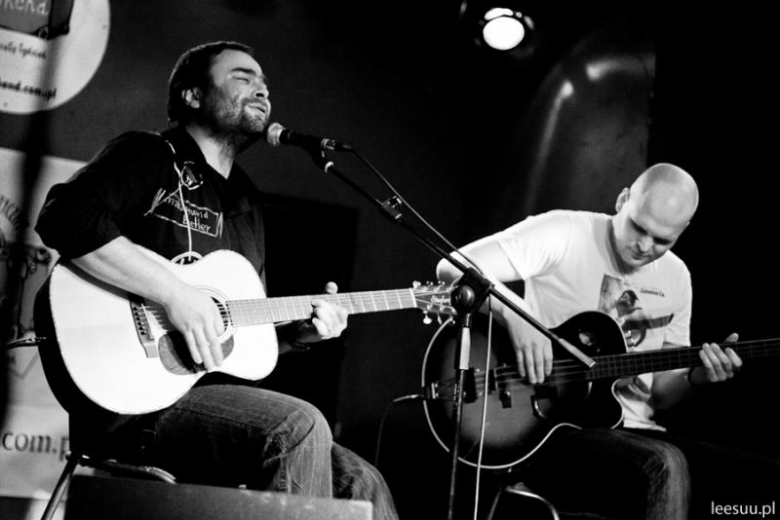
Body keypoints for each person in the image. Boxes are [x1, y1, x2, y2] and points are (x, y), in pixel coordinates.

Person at [34, 41, 398, 520]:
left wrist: (299, 335)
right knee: (299, 425)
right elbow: (65, 217)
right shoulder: (150, 153)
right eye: (243, 78)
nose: (262, 89)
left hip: (205, 396)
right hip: (131, 407)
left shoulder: (246, 203)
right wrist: (173, 293)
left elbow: (232, 330)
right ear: (192, 96)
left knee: (361, 482)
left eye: (265, 83)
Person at [436, 163, 778, 519]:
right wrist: (516, 313)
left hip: (636, 431)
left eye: (663, 240)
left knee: (760, 478)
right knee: (663, 464)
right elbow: (452, 265)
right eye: (639, 228)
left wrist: (694, 377)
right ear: (623, 200)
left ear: (684, 230)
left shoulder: (676, 276)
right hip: (556, 427)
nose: (645, 246)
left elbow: (660, 392)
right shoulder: (565, 231)